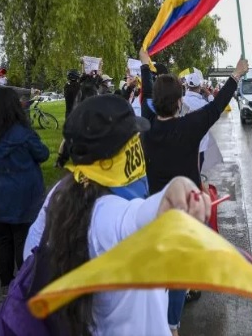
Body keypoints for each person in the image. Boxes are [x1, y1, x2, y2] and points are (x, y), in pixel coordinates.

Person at [25, 94, 211, 335]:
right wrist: (170, 195)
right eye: (134, 139)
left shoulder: (62, 194)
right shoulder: (108, 213)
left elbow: (31, 253)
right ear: (122, 152)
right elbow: (132, 218)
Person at [140, 50, 248, 334]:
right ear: (179, 102)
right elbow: (217, 107)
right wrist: (235, 74)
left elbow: (144, 97)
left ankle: (159, 320)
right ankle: (172, 324)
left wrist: (144, 64)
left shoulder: (148, 127)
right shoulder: (188, 128)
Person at [0, 87, 49, 295]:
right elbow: (42, 154)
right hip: (23, 197)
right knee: (22, 239)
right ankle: (26, 282)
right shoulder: (23, 133)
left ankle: (6, 282)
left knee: (2, 240)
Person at [182, 71, 211, 171]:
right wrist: (208, 94)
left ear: (187, 86)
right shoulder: (204, 104)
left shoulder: (181, 101)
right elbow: (215, 108)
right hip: (200, 147)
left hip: (183, 146)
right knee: (197, 174)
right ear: (199, 87)